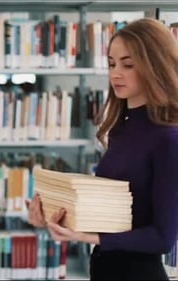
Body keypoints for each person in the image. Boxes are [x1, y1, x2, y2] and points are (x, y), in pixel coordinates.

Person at [26, 18, 178, 280]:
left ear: (155, 66)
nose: (115, 73)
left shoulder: (169, 139)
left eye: (128, 64)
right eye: (111, 63)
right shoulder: (120, 130)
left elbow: (162, 238)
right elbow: (110, 216)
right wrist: (54, 219)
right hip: (103, 269)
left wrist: (85, 236)